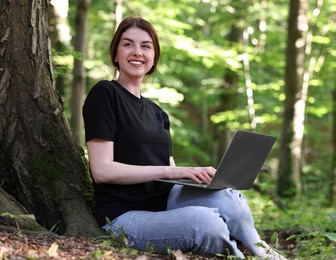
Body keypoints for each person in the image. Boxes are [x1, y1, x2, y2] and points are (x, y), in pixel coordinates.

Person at [83, 17, 287, 259]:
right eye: (128, 44)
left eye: (146, 46)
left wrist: (198, 178)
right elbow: (102, 171)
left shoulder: (157, 112)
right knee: (206, 223)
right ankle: (238, 254)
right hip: (124, 216)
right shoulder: (105, 94)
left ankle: (264, 253)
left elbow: (170, 170)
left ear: (154, 57)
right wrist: (169, 172)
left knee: (228, 197)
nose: (137, 52)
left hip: (166, 202)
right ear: (116, 54)